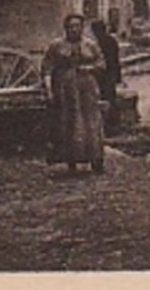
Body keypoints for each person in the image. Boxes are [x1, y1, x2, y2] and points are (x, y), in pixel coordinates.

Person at [42, 13, 106, 174]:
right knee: (68, 122)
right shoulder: (56, 46)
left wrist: (90, 68)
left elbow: (101, 63)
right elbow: (47, 67)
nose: (74, 30)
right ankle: (71, 160)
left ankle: (95, 158)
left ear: (82, 28)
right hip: (66, 89)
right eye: (70, 27)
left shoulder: (90, 45)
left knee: (90, 122)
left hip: (87, 88)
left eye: (77, 26)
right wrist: (49, 90)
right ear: (65, 28)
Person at [89, 19, 123, 135]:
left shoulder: (96, 43)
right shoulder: (111, 40)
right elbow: (116, 60)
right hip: (110, 73)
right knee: (110, 98)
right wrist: (118, 76)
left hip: (103, 74)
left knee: (104, 98)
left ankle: (108, 125)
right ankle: (113, 124)